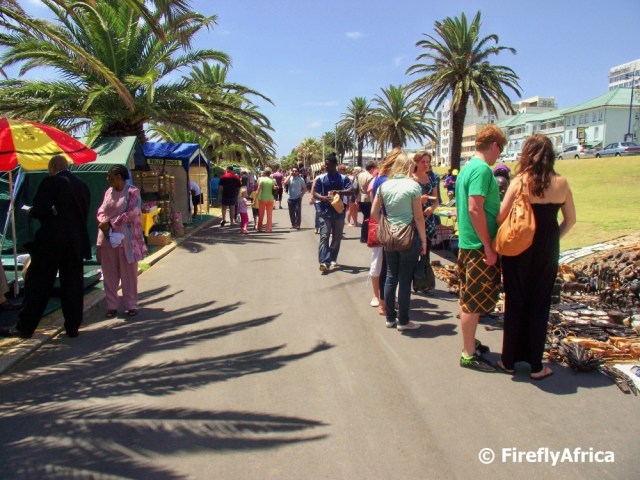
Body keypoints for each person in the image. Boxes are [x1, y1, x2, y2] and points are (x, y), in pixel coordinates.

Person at [497, 134, 576, 380]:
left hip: (519, 248)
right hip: (547, 249)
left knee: (515, 301)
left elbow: (501, 216)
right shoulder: (562, 182)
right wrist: (553, 238)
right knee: (539, 304)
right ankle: (535, 365)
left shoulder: (520, 181)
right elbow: (571, 220)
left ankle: (509, 360)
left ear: (527, 154)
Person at [0, 155, 91, 339]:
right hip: (76, 242)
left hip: (51, 243)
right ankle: (72, 327)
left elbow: (40, 209)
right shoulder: (82, 185)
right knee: (73, 285)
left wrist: (32, 211)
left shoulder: (50, 182)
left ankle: (24, 327)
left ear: (53, 167)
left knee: (38, 285)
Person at [455, 124, 506, 372]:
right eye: (500, 149)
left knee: (468, 298)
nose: (500, 155)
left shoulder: (467, 169)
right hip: (477, 246)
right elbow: (475, 208)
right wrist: (488, 246)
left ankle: (469, 342)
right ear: (494, 145)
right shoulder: (482, 170)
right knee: (473, 303)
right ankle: (468, 354)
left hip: (469, 243)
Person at [370, 150, 426, 331]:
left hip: (390, 237)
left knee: (390, 276)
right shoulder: (413, 186)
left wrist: (385, 224)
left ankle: (390, 318)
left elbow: (373, 213)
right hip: (408, 235)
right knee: (404, 279)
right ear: (409, 166)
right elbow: (418, 217)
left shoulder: (384, 186)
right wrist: (424, 240)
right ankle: (403, 321)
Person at [96, 165, 147, 318]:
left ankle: (131, 305)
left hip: (127, 241)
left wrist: (111, 223)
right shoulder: (109, 192)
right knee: (109, 274)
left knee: (129, 275)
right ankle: (111, 306)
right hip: (107, 239)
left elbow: (133, 213)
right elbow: (101, 210)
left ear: (119, 177)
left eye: (110, 177)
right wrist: (103, 221)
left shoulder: (132, 192)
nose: (107, 179)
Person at [368, 149, 402, 315]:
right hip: (385, 226)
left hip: (383, 224)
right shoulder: (384, 180)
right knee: (382, 264)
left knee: (385, 265)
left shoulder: (382, 179)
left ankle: (384, 299)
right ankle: (380, 298)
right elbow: (378, 207)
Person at [313, 153, 352, 272]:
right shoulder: (321, 178)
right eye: (325, 164)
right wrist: (323, 198)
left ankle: (332, 258)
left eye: (328, 164)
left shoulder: (343, 178)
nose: (325, 166)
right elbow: (315, 193)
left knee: (337, 237)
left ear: (335, 165)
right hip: (325, 212)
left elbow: (351, 190)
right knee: (324, 236)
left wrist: (339, 192)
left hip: (339, 212)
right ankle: (323, 262)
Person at [412, 151, 440, 257]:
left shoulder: (432, 178)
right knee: (414, 252)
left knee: (426, 253)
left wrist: (432, 208)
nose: (426, 164)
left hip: (428, 219)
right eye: (423, 162)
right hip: (414, 219)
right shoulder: (410, 179)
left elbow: (436, 199)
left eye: (428, 162)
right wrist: (419, 201)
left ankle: (424, 267)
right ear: (416, 162)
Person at [356, 161, 375, 243]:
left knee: (365, 218)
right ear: (372, 168)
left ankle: (364, 237)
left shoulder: (360, 175)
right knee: (367, 219)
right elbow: (370, 190)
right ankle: (364, 237)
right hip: (367, 199)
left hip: (360, 198)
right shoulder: (370, 177)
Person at [255, 168, 275, 232]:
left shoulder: (262, 180)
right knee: (269, 215)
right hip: (270, 198)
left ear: (264, 173)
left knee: (261, 214)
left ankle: (259, 228)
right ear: (270, 173)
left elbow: (258, 190)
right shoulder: (272, 180)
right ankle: (268, 229)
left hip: (263, 198)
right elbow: (274, 188)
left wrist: (255, 199)